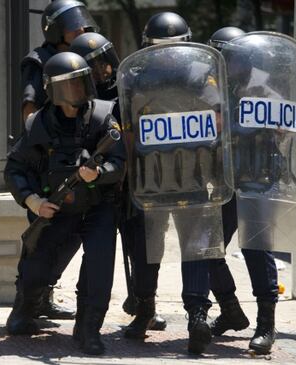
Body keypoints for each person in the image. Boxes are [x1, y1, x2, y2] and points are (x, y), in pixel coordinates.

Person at [5, 52, 126, 356]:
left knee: (98, 270)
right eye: (70, 85)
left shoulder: (102, 116)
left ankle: (88, 330)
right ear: (54, 90)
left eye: (81, 82)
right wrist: (33, 202)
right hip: (57, 211)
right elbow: (15, 169)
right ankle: (25, 310)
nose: (78, 90)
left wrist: (98, 173)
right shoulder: (38, 125)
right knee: (36, 269)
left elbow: (119, 163)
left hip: (98, 207)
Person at [121, 12, 214, 355]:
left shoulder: (142, 78)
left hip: (170, 175)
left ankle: (190, 316)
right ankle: (172, 312)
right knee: (159, 247)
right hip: (167, 176)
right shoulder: (138, 77)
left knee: (176, 247)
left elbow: (218, 120)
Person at [69, 32, 168, 332]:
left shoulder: (132, 86)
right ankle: (84, 312)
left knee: (145, 249)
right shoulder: (80, 100)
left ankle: (145, 307)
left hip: (138, 183)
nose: (102, 72)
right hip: (99, 189)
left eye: (104, 64)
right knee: (96, 253)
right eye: (93, 67)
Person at [20, 0, 99, 320]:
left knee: (74, 232)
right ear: (54, 29)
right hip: (46, 159)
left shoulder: (77, 57)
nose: (82, 29)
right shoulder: (38, 61)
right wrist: (41, 143)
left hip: (76, 156)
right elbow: (29, 108)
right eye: (73, 25)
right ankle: (26, 301)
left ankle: (44, 294)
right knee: (42, 234)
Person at [207, 27, 278, 355]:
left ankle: (266, 324)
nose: (223, 63)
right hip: (220, 183)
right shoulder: (211, 89)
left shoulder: (262, 89)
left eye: (228, 57)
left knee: (256, 250)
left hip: (254, 183)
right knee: (204, 248)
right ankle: (230, 309)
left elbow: (286, 123)